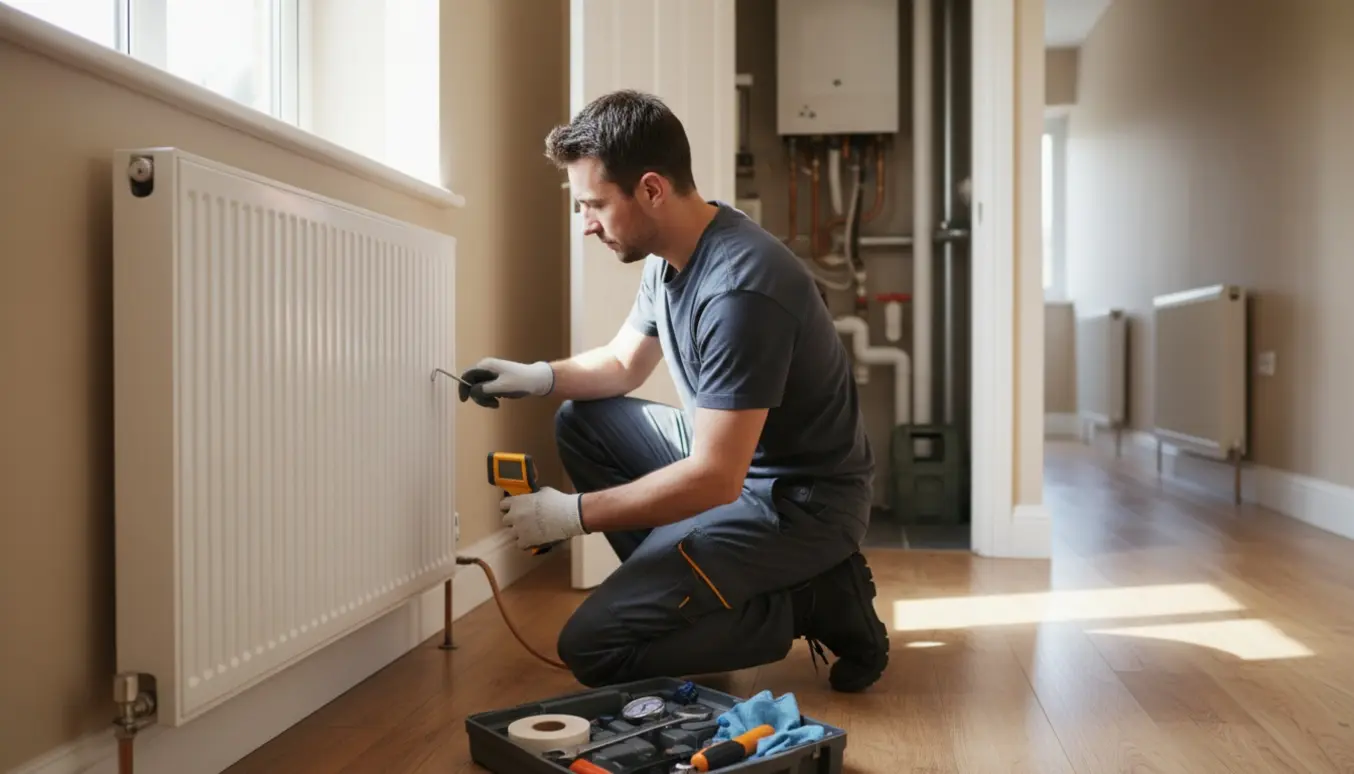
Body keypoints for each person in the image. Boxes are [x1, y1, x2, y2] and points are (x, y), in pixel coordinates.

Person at [457, 89, 889, 693]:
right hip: (740, 459)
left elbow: (715, 479)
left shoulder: (741, 292)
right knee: (580, 419)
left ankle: (807, 600)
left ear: (652, 190)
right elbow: (621, 364)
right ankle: (697, 593)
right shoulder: (670, 254)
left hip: (799, 502)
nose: (587, 225)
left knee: (593, 647)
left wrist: (571, 516)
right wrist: (537, 377)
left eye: (595, 205)